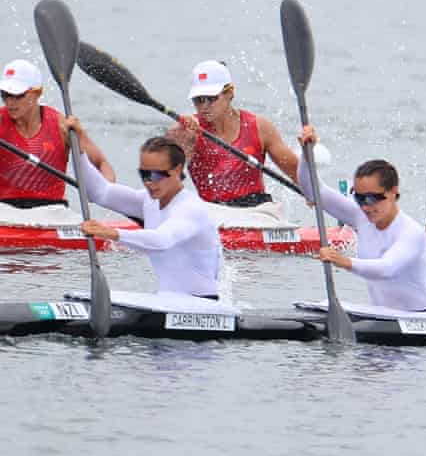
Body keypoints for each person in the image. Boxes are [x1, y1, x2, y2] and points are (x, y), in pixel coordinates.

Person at [296, 125, 426, 312]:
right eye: (359, 198)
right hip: (382, 316)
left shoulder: (411, 233)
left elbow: (387, 268)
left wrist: (344, 261)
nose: (365, 206)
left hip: (419, 319)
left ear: (393, 193)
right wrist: (307, 156)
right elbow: (314, 191)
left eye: (371, 198)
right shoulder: (360, 215)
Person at [77, 130, 222, 299]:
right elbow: (100, 192)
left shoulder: (190, 209)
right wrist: (78, 151)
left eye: (156, 175)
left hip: (203, 305)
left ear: (177, 170)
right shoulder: (149, 201)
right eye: (144, 174)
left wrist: (111, 233)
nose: (149, 182)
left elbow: (161, 240)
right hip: (167, 300)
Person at [167, 60, 299, 209]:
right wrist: (177, 135)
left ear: (229, 93)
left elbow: (297, 173)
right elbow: (163, 176)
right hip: (214, 213)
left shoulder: (260, 127)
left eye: (211, 99)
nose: (204, 107)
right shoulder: (189, 132)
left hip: (258, 211)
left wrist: (313, 195)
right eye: (198, 100)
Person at [0, 59, 114, 209]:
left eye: (18, 95)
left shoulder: (61, 125)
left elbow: (102, 164)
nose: (10, 102)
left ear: (37, 93)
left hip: (52, 211)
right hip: (5, 211)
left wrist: (104, 192)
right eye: (5, 94)